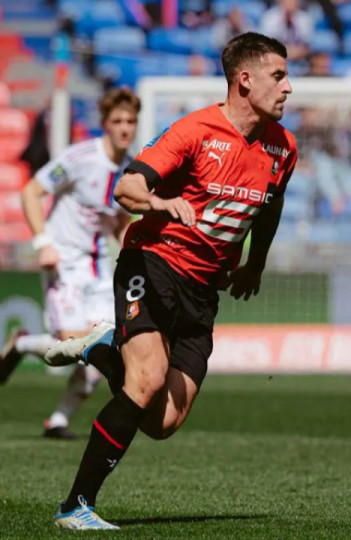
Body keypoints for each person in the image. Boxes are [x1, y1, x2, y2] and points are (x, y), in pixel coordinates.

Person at [42, 32, 297, 530]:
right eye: (279, 76)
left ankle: (103, 349)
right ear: (245, 80)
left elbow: (271, 206)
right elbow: (128, 186)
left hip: (203, 290)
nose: (288, 88)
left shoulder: (283, 147)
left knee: (163, 422)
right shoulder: (194, 130)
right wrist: (159, 202)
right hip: (152, 262)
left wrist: (256, 263)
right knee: (146, 379)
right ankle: (75, 507)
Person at [0, 89, 138, 440]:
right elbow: (31, 192)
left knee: (105, 347)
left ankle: (58, 421)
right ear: (105, 124)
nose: (125, 127)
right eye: (118, 121)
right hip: (63, 261)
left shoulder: (130, 169)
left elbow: (119, 222)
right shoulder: (80, 157)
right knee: (73, 342)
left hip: (98, 267)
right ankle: (22, 344)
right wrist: (42, 243)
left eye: (130, 121)